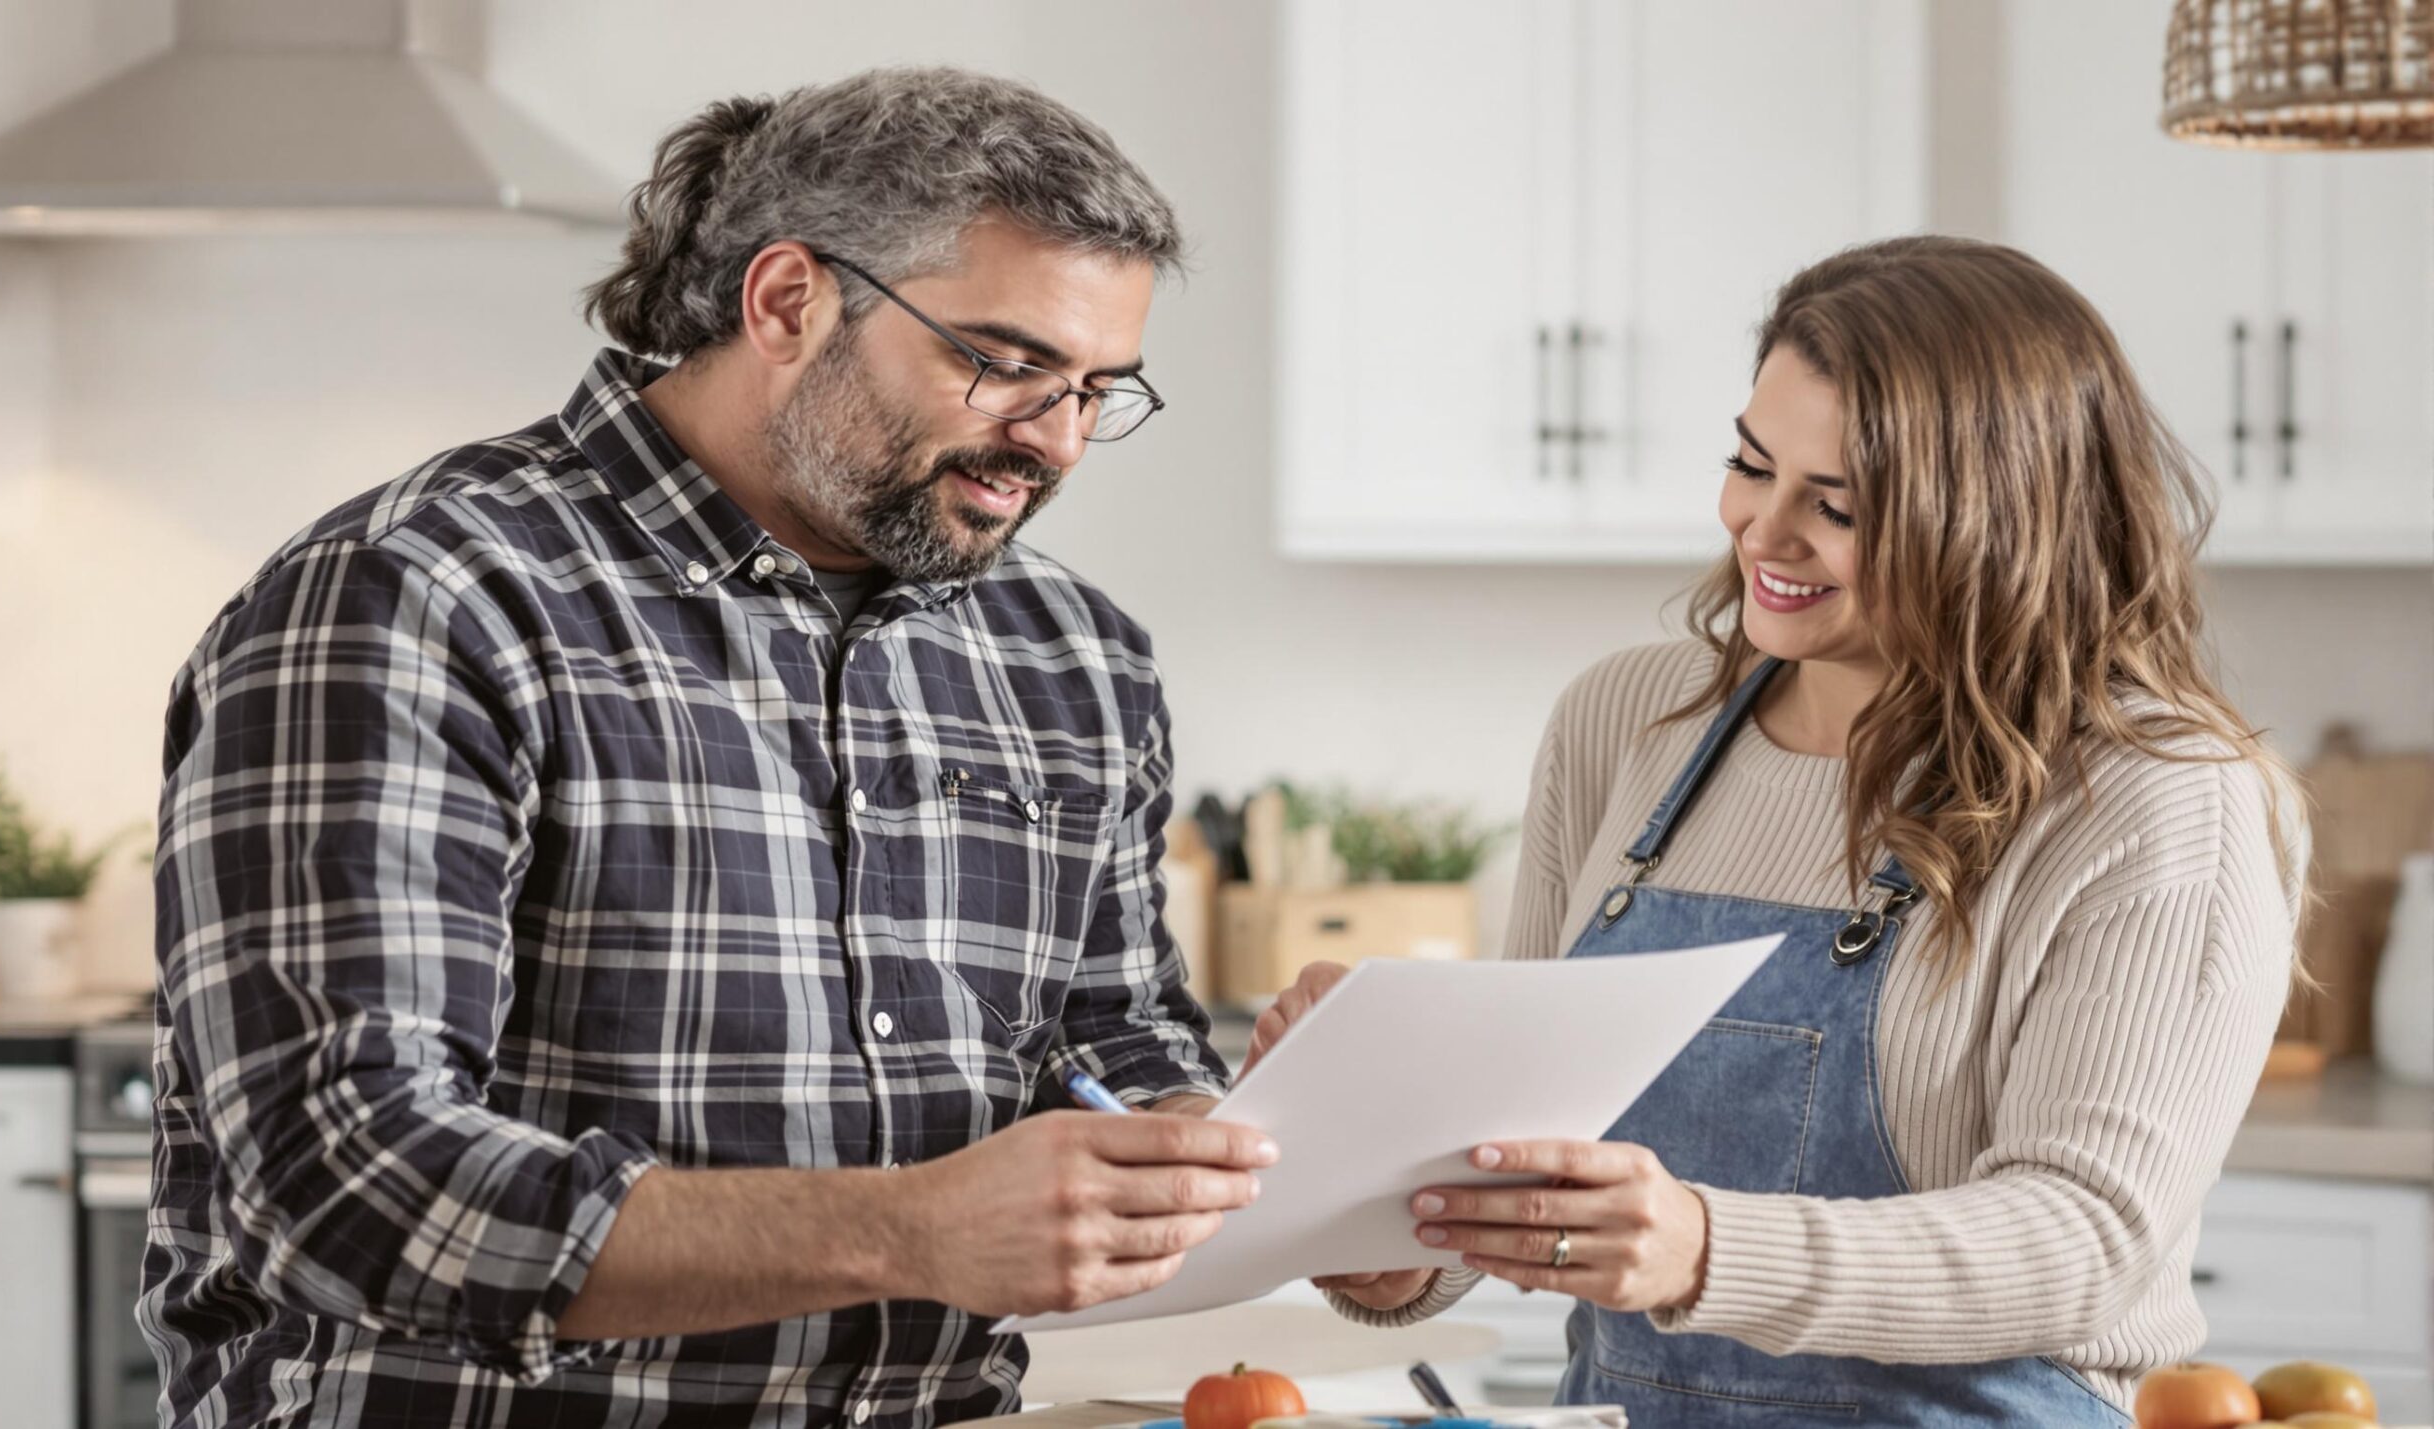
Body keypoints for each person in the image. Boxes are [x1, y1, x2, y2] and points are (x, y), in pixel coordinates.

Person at [144, 67, 1274, 1429]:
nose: (1053, 440)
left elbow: (1109, 1047)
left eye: (1099, 388)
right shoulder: (427, 593)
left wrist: (1303, 1161)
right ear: (789, 301)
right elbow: (350, 1177)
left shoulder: (1071, 655)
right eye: (1006, 363)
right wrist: (905, 1229)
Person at [1249, 236, 2306, 1426]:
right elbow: (1519, 1138)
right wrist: (1385, 1229)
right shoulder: (1624, 725)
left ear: (1996, 522)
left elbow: (2085, 1237)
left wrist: (1702, 1248)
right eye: (1750, 464)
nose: (1763, 530)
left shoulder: (2156, 797)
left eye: (1838, 505)